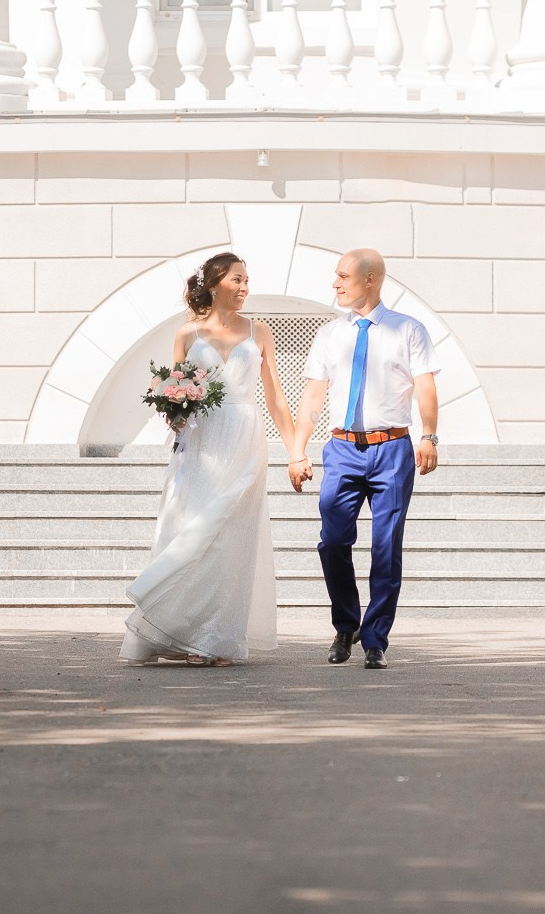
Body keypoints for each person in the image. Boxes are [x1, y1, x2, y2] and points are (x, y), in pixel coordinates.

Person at [120, 252, 295, 665]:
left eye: (247, 280)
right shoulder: (187, 334)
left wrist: (296, 451)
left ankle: (216, 638)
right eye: (237, 279)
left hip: (244, 439)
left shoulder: (260, 332)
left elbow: (274, 397)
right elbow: (173, 388)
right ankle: (181, 632)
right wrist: (175, 411)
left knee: (229, 538)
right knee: (191, 529)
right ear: (215, 284)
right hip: (201, 443)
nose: (245, 287)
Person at [287, 249, 439, 670]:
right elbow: (313, 396)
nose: (335, 283)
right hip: (342, 449)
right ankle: (346, 624)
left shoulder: (408, 329)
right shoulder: (329, 334)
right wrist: (298, 450)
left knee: (386, 546)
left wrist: (429, 435)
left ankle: (375, 639)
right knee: (333, 540)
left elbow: (426, 386)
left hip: (392, 448)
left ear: (370, 279)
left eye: (343, 276)